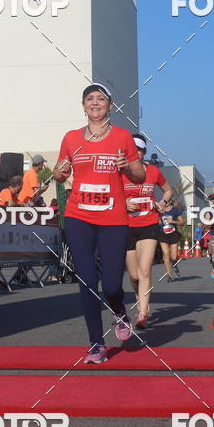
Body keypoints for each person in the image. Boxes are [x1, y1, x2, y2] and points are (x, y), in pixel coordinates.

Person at [52, 83, 145, 363]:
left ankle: (119, 311)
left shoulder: (122, 137)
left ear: (110, 106)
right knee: (87, 280)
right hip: (78, 216)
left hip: (113, 218)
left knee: (112, 285)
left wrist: (127, 167)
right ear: (83, 106)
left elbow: (140, 175)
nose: (95, 103)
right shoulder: (71, 138)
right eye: (90, 99)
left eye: (101, 99)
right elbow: (60, 172)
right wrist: (59, 172)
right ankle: (96, 344)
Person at [123, 133, 173, 329]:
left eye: (140, 150)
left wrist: (162, 203)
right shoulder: (120, 172)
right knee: (134, 276)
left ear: (144, 151)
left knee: (145, 270)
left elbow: (168, 190)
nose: (136, 153)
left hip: (149, 225)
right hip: (127, 226)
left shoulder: (153, 171)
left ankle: (142, 313)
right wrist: (123, 204)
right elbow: (110, 195)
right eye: (132, 149)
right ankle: (139, 295)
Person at [158, 198, 184, 282]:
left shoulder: (175, 210)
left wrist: (173, 221)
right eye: (164, 201)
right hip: (163, 235)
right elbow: (158, 221)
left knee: (173, 257)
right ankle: (169, 276)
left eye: (167, 201)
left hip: (173, 235)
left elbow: (182, 222)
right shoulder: (160, 210)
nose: (165, 202)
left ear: (170, 201)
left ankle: (174, 265)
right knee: (166, 255)